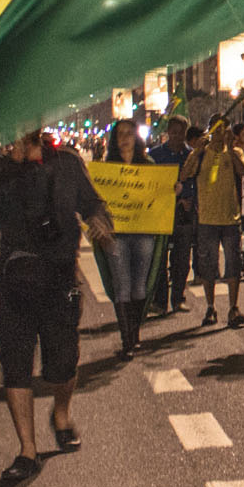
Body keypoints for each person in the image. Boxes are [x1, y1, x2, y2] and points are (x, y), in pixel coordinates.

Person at [0, 129, 114, 482]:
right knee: (15, 362)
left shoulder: (67, 162)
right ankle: (27, 450)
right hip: (16, 278)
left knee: (63, 361)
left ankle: (61, 415)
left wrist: (99, 220)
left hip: (60, 278)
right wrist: (14, 167)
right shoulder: (2, 168)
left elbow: (93, 202)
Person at [101, 119, 160, 356]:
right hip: (117, 234)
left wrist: (172, 190)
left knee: (139, 287)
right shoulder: (107, 168)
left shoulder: (148, 165)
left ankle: (135, 333)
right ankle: (127, 340)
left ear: (137, 138)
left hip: (143, 232)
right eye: (120, 135)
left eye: (129, 134)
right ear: (114, 140)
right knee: (121, 285)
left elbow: (159, 192)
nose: (125, 138)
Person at [182, 122, 244, 329]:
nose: (219, 134)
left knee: (233, 264)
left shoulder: (235, 152)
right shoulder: (201, 154)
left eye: (223, 130)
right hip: (207, 220)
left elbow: (243, 171)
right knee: (208, 266)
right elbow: (185, 175)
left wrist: (231, 148)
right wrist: (196, 151)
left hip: (230, 218)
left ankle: (233, 307)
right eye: (216, 130)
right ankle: (210, 307)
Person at [147, 117, 196, 316]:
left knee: (182, 259)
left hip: (183, 214)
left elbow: (196, 181)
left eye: (181, 132)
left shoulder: (191, 156)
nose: (177, 136)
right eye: (173, 132)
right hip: (160, 213)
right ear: (168, 132)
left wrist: (188, 196)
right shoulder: (155, 154)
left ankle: (178, 299)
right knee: (158, 260)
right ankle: (160, 301)